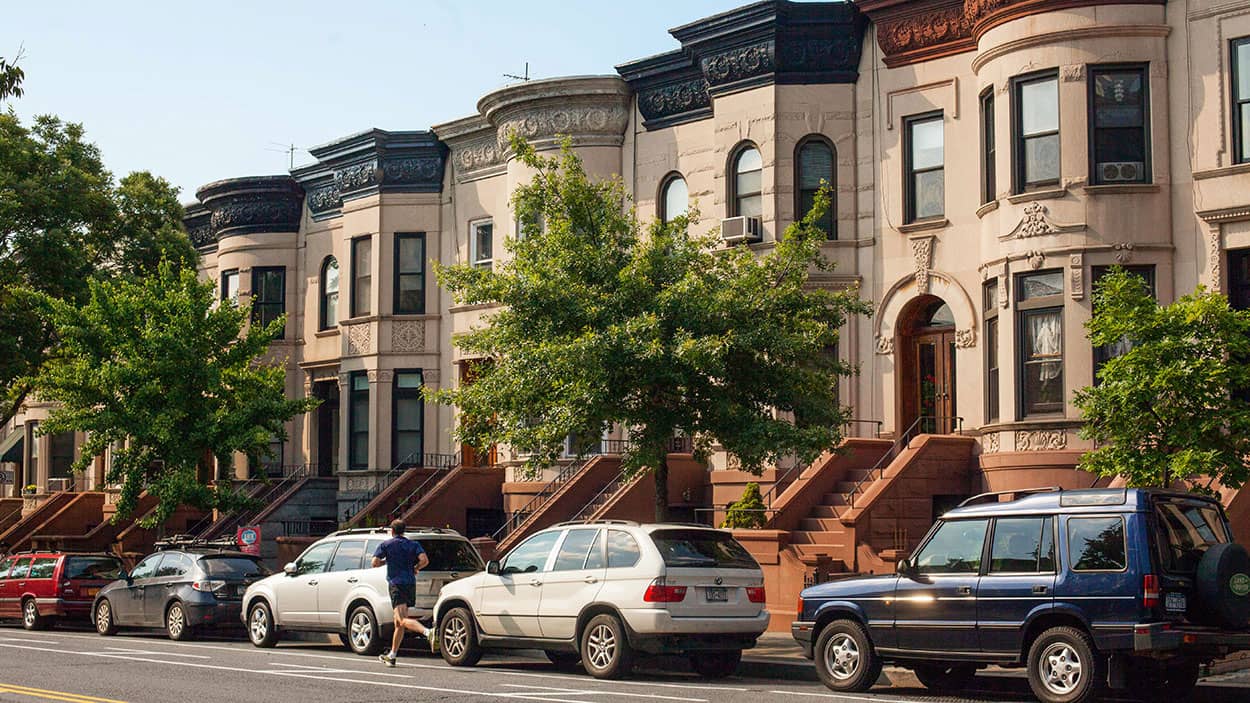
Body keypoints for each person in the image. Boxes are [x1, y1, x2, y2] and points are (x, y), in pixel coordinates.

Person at [372, 519, 438, 666]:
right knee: (398, 623)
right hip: (410, 583)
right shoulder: (413, 544)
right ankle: (392, 655)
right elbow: (424, 560)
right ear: (403, 530)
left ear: (392, 531)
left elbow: (375, 562)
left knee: (401, 619)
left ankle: (428, 632)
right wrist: (416, 568)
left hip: (396, 584)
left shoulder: (386, 545)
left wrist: (386, 561)